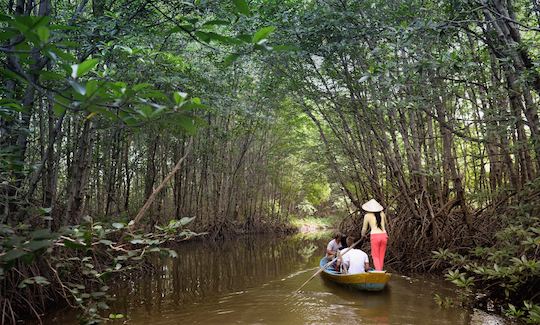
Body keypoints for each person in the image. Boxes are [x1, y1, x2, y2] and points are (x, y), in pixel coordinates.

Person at [361, 199, 388, 271]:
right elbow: (385, 223)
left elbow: (364, 228)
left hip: (375, 236)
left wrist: (363, 235)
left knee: (375, 256)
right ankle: (380, 271)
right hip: (384, 236)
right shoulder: (382, 214)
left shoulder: (367, 215)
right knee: (381, 256)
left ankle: (378, 272)